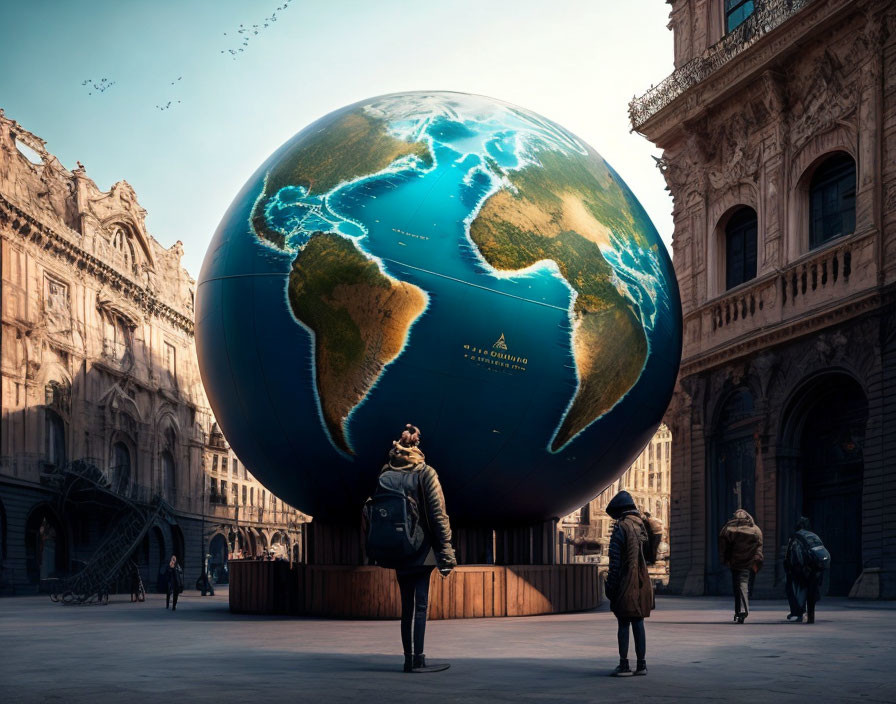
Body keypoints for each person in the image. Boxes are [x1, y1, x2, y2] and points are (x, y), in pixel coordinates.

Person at [372, 424, 456, 673]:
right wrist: (446, 551)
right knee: (421, 605)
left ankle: (408, 657)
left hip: (396, 549)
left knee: (406, 606)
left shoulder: (386, 472)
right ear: (417, 448)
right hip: (421, 548)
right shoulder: (425, 473)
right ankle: (417, 659)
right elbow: (438, 515)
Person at [605, 490, 654, 677]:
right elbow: (650, 556)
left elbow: (615, 562)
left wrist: (611, 586)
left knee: (624, 622)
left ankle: (624, 665)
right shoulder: (643, 526)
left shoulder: (621, 528)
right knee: (639, 622)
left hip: (626, 581)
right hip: (642, 581)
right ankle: (641, 665)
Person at [718, 509, 763, 624]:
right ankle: (740, 611)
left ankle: (742, 611)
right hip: (749, 563)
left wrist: (725, 560)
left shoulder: (727, 529)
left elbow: (723, 548)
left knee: (738, 587)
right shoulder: (755, 530)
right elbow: (759, 546)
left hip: (735, 563)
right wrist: (757, 559)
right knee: (744, 586)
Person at [784, 517, 828, 624]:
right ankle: (811, 616)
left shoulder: (795, 537)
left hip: (803, 568)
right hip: (815, 567)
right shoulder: (814, 536)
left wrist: (792, 569)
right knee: (811, 590)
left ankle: (798, 612)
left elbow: (790, 556)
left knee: (794, 588)